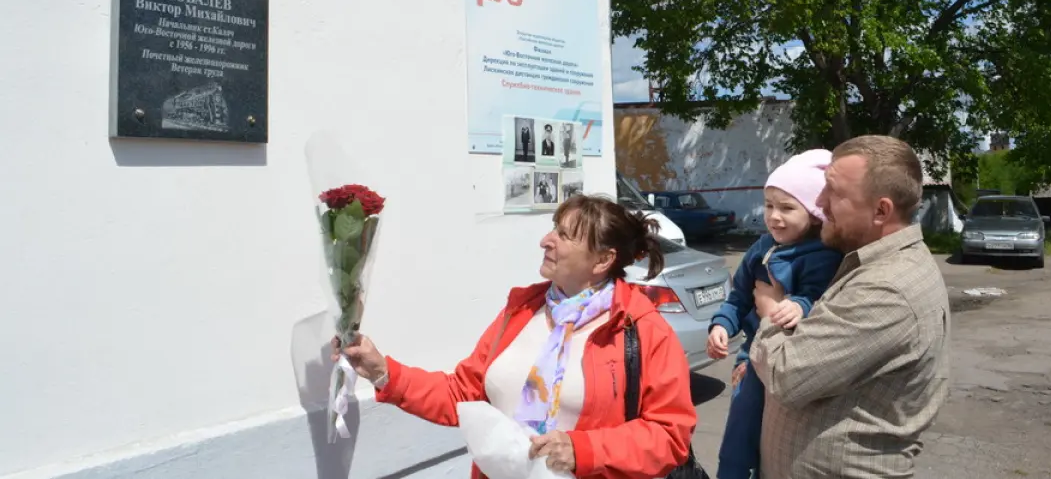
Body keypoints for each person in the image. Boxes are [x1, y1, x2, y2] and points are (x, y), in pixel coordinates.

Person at [333, 194, 696, 479]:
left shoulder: (641, 329)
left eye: (564, 235)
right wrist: (382, 371)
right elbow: (461, 394)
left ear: (602, 261)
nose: (545, 240)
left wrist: (582, 450)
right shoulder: (521, 311)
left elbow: (669, 435)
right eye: (553, 228)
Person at [750, 135, 950, 479]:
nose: (820, 202)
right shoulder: (868, 265)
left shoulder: (887, 289)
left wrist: (770, 310)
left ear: (881, 210)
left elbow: (787, 374)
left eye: (834, 192)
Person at [705, 150, 844, 479]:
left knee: (779, 437)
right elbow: (739, 295)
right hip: (755, 354)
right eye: (768, 206)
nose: (774, 217)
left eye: (787, 208)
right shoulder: (761, 246)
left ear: (812, 214)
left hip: (794, 358)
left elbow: (823, 298)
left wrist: (800, 305)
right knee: (742, 425)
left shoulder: (824, 255)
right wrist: (722, 325)